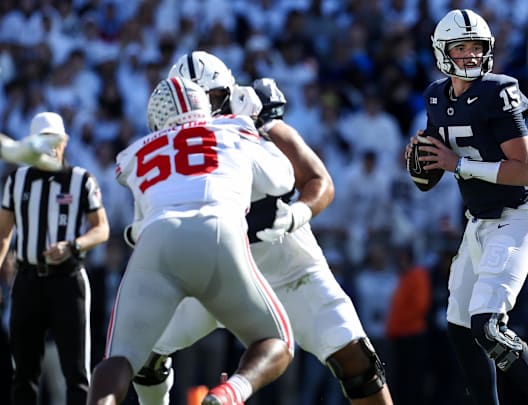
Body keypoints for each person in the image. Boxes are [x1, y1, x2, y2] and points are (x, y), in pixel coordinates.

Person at [132, 50, 393, 405]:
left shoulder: (260, 123)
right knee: (142, 351)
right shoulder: (175, 145)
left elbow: (319, 181)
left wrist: (295, 214)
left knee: (357, 361)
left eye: (208, 99)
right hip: (215, 275)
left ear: (227, 93)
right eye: (193, 101)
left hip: (287, 268)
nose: (200, 111)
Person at [87, 77, 295, 405]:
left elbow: (140, 223)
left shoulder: (137, 152)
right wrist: (257, 128)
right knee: (278, 340)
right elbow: (283, 178)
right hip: (218, 231)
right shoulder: (233, 130)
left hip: (157, 239)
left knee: (119, 358)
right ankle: (229, 395)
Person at [404, 9, 528, 405]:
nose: (472, 55)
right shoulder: (436, 96)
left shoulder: (499, 91)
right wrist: (417, 157)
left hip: (518, 218)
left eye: (477, 47)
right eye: (462, 47)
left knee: (488, 327)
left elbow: (524, 171)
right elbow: (429, 175)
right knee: (459, 326)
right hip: (479, 222)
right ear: (444, 52)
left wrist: (457, 164)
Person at [0, 111, 110, 404]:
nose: (50, 146)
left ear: (65, 142)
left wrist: (73, 246)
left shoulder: (81, 180)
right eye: (42, 139)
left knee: (76, 375)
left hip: (68, 280)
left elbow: (101, 229)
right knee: (23, 375)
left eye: (55, 139)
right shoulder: (16, 180)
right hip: (27, 279)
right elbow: (3, 234)